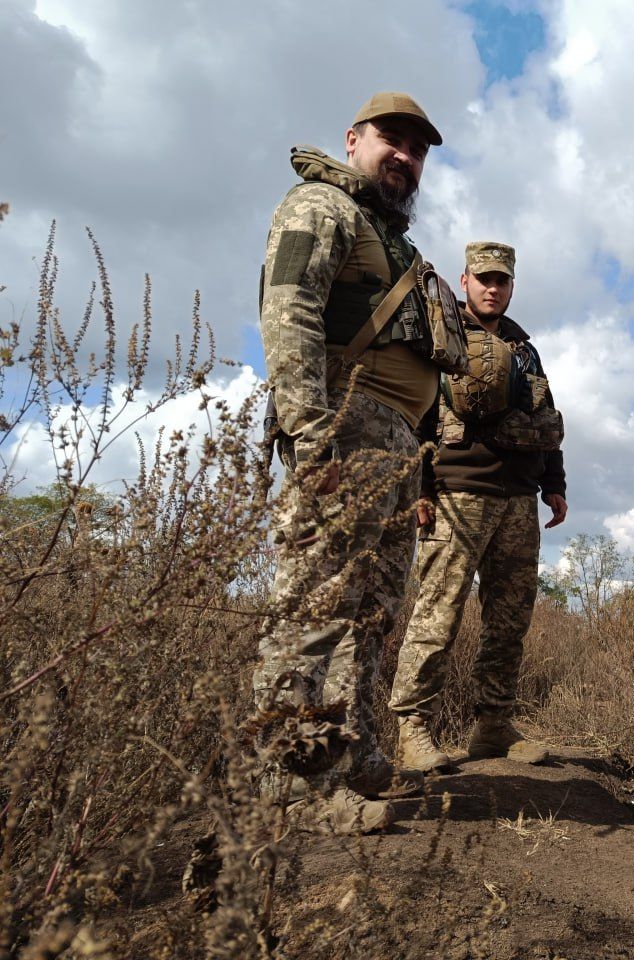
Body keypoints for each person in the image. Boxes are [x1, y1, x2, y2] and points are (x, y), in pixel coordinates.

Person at [252, 92, 452, 833]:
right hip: (340, 430)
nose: (405, 156)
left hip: (395, 449)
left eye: (419, 148)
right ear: (353, 139)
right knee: (313, 609)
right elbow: (290, 311)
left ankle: (354, 750)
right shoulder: (319, 207)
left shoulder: (390, 237)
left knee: (371, 614)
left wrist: (420, 473)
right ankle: (293, 785)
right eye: (391, 140)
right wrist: (311, 436)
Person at [390, 241, 568, 772]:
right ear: (464, 281)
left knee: (509, 617)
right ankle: (411, 728)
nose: (494, 288)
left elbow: (547, 418)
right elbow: (414, 414)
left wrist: (554, 483)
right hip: (457, 492)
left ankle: (493, 724)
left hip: (519, 497)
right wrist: (419, 488)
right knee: (437, 614)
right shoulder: (442, 335)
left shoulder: (525, 348)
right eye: (484, 279)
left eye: (503, 281)